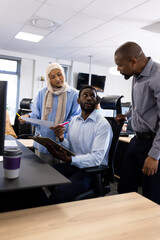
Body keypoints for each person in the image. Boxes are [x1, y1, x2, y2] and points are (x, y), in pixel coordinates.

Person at [43, 85, 113, 204]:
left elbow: (96, 159)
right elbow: (69, 147)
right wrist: (61, 139)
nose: (89, 98)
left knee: (59, 193)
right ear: (78, 100)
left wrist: (70, 159)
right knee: (43, 176)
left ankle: (50, 214)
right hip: (74, 166)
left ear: (96, 101)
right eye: (85, 95)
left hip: (90, 171)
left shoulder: (102, 125)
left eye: (92, 96)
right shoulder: (74, 121)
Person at [114, 41, 160, 204]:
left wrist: (154, 156)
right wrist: (126, 114)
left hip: (153, 142)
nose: (118, 69)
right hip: (137, 140)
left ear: (133, 61)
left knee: (151, 196)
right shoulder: (136, 75)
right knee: (124, 187)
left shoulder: (157, 76)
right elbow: (139, 105)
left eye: (120, 65)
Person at [19, 62, 81, 164]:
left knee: (60, 175)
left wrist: (62, 126)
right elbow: (36, 114)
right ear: (48, 79)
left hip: (62, 143)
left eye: (59, 74)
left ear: (63, 74)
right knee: (42, 174)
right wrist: (27, 117)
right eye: (52, 77)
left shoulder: (74, 94)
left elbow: (75, 117)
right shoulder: (42, 93)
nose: (57, 79)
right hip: (43, 141)